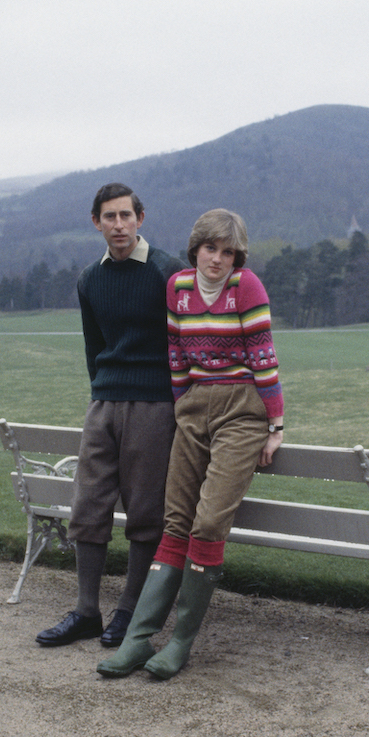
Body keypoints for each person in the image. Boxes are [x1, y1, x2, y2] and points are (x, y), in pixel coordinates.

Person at [98, 208, 283, 679]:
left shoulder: (246, 287)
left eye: (227, 251)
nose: (218, 260)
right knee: (174, 521)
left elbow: (263, 357)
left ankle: (179, 642)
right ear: (195, 249)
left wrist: (275, 425)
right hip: (194, 407)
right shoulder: (178, 288)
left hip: (242, 411)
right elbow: (177, 353)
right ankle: (138, 641)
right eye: (210, 249)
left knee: (207, 524)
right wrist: (184, 407)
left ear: (237, 255)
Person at [35, 184, 184, 648]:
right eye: (109, 217)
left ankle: (129, 610)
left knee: (145, 511)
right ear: (95, 222)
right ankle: (85, 611)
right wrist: (102, 392)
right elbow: (93, 346)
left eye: (126, 215)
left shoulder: (167, 272)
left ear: (141, 217)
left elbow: (184, 345)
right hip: (103, 403)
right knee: (89, 504)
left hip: (155, 406)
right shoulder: (89, 279)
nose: (118, 225)